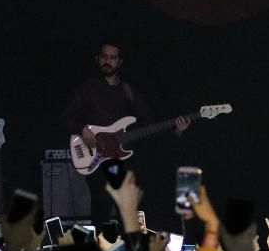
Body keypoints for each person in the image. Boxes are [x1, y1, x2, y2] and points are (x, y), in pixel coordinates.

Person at [63, 42, 189, 225]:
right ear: (98, 59)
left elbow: (149, 126)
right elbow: (66, 117)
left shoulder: (129, 91)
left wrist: (175, 131)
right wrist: (82, 129)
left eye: (113, 58)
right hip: (96, 161)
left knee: (127, 216)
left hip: (123, 163)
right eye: (104, 57)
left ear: (119, 62)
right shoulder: (86, 89)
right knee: (100, 214)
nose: (108, 61)